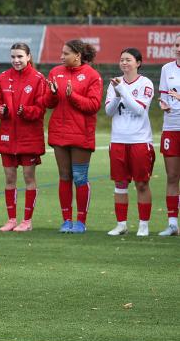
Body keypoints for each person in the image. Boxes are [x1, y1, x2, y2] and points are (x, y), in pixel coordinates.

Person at [46, 40, 102, 234]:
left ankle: (81, 222)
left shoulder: (92, 75)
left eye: (65, 53)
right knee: (64, 176)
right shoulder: (55, 72)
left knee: (79, 178)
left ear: (77, 55)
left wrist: (73, 97)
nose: (61, 57)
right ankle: (66, 220)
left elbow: (94, 105)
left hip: (80, 133)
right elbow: (48, 103)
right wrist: (52, 94)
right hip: (59, 133)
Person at [0, 43, 47, 232]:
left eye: (20, 56)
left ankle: (27, 221)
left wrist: (26, 111)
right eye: (13, 57)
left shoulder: (38, 79)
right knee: (9, 178)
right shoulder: (3, 78)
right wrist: (1, 110)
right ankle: (12, 219)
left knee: (29, 177)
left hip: (29, 137)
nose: (16, 60)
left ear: (29, 57)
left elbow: (40, 109)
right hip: (7, 137)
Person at [104, 49, 155, 236]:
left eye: (129, 60)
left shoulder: (145, 83)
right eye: (122, 60)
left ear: (138, 63)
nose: (124, 63)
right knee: (120, 184)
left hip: (140, 141)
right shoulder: (115, 83)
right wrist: (117, 94)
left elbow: (139, 110)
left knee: (142, 183)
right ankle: (121, 224)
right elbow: (109, 111)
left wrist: (122, 90)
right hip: (118, 140)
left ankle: (143, 225)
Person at [157, 34, 180, 236]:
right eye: (177, 45)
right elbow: (162, 97)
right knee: (172, 176)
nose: (179, 48)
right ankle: (172, 223)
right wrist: (163, 105)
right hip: (171, 128)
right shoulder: (167, 69)